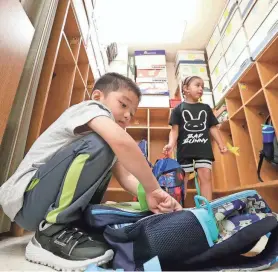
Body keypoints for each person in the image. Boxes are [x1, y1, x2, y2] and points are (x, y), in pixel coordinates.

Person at [0, 73, 182, 270]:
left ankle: (66, 228)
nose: (128, 115)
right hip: (26, 198)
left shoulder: (106, 140)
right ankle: (51, 232)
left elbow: (126, 176)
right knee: (104, 142)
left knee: (108, 148)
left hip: (40, 207)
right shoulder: (89, 109)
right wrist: (154, 188)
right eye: (123, 105)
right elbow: (121, 141)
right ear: (97, 97)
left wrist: (155, 199)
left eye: (133, 112)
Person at [163, 76, 227, 203]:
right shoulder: (178, 109)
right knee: (182, 180)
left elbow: (213, 128)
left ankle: (206, 208)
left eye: (202, 86)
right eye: (197, 85)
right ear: (186, 89)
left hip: (203, 149)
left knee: (206, 177)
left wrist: (221, 144)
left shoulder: (206, 108)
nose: (201, 88)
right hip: (185, 150)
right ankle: (179, 207)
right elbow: (174, 130)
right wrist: (171, 144)